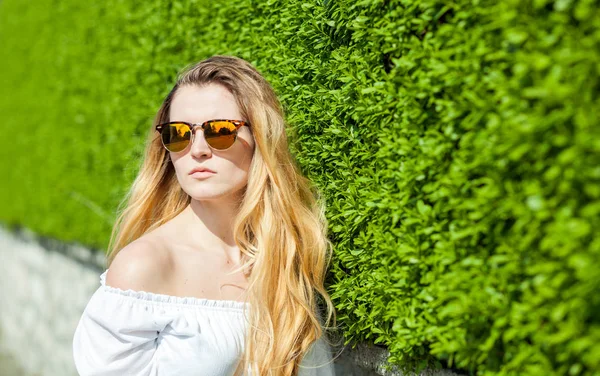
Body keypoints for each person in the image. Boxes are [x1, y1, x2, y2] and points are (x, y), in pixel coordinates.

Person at [72, 55, 342, 376]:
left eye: (220, 130)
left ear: (260, 138)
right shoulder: (143, 267)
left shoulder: (287, 251)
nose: (197, 149)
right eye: (179, 133)